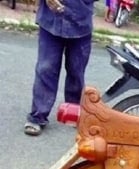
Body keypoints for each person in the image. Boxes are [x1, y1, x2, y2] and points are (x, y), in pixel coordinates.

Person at [24, 0, 95, 136]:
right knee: (45, 69)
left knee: (76, 70)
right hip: (51, 21)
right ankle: (38, 116)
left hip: (80, 21)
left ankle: (73, 112)